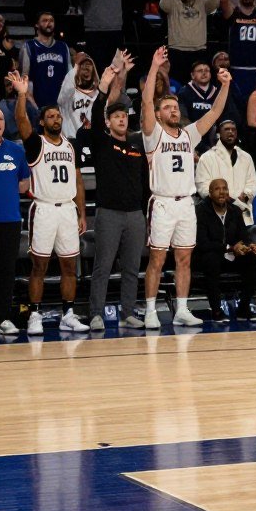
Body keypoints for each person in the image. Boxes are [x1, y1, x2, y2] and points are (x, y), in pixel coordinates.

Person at [141, 47, 233, 329]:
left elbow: (216, 111)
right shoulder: (153, 134)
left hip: (186, 203)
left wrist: (226, 84)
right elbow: (146, 101)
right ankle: (151, 311)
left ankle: (181, 309)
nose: (173, 110)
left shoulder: (188, 134)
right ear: (158, 115)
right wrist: (155, 66)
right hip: (163, 202)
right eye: (167, 107)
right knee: (157, 259)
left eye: (175, 107)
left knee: (184, 258)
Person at [7, 71, 88, 334]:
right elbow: (20, 119)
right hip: (43, 209)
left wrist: (82, 213)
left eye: (58, 115)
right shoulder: (35, 144)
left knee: (68, 265)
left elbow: (78, 182)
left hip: (67, 209)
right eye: (50, 116)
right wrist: (21, 94)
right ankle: (34, 316)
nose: (56, 119)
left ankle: (69, 313)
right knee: (39, 266)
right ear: (42, 122)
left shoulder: (70, 145)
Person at [88, 56, 149, 330]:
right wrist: (105, 85)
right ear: (108, 122)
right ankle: (96, 314)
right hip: (109, 213)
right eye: (116, 116)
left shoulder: (136, 144)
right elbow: (95, 110)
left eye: (124, 116)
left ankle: (127, 312)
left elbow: (144, 183)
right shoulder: (102, 141)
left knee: (132, 268)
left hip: (135, 214)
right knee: (103, 266)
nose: (122, 119)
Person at [194, 178, 256, 323]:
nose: (222, 192)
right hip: (208, 256)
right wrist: (229, 248)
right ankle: (216, 311)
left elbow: (244, 236)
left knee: (252, 260)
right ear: (210, 193)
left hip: (231, 255)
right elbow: (202, 243)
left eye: (225, 188)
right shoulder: (201, 211)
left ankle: (243, 308)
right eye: (217, 189)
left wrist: (250, 246)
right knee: (211, 260)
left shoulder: (235, 210)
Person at [0, 106, 29, 336]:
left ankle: (2, 319)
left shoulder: (16, 151)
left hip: (10, 221)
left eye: (0, 119)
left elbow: (24, 183)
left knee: (7, 272)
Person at [196, 120, 256, 228]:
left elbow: (252, 183)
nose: (231, 132)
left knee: (243, 244)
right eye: (227, 129)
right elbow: (203, 187)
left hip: (242, 213)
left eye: (233, 130)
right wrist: (226, 199)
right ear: (218, 133)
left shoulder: (246, 157)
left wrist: (246, 195)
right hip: (215, 213)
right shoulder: (207, 157)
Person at [19, 12, 72, 107]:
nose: (49, 23)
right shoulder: (28, 47)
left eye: (51, 20)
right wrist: (33, 105)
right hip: (37, 102)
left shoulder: (63, 46)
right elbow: (25, 78)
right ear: (36, 24)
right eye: (45, 20)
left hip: (60, 104)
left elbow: (70, 76)